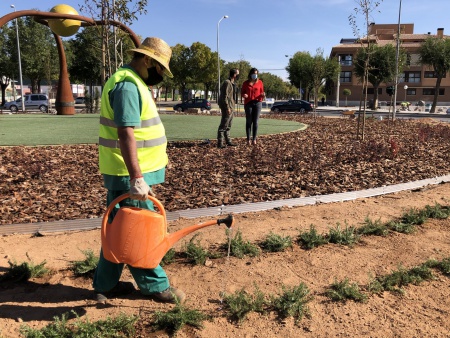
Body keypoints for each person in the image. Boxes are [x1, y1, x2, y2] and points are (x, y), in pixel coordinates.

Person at [94, 37, 185, 305]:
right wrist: (136, 178)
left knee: (118, 230)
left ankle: (104, 285)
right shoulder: (128, 86)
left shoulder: (131, 81)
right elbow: (126, 134)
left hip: (131, 173)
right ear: (146, 60)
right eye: (158, 68)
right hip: (130, 176)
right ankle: (155, 286)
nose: (159, 75)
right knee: (138, 232)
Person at [241, 68, 265, 146]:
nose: (255, 75)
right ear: (250, 74)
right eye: (254, 73)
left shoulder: (260, 82)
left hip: (258, 103)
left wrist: (263, 95)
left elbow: (262, 92)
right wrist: (244, 95)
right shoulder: (245, 83)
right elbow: (242, 92)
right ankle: (248, 139)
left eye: (256, 73)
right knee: (249, 121)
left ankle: (254, 139)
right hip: (248, 103)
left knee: (256, 121)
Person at [217, 68, 239, 148]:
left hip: (231, 106)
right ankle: (220, 143)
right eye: (237, 74)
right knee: (223, 126)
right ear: (234, 75)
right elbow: (224, 96)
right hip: (227, 107)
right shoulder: (227, 83)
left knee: (229, 125)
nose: (238, 76)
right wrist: (227, 108)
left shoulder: (232, 83)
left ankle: (228, 141)